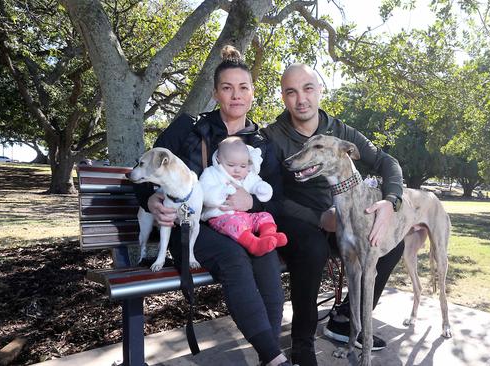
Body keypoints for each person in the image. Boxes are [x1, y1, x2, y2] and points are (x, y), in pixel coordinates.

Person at [135, 46, 293, 366]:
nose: (236, 95)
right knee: (234, 257)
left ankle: (270, 357)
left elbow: (277, 200)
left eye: (243, 87)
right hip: (191, 229)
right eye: (227, 87)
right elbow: (146, 171)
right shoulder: (188, 128)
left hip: (242, 226)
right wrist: (151, 200)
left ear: (252, 94)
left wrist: (253, 200)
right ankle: (275, 359)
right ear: (215, 93)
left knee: (265, 256)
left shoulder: (262, 143)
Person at [262, 63, 405, 366]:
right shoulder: (272, 137)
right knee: (312, 249)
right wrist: (318, 219)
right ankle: (302, 341)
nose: (301, 99)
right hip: (298, 220)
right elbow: (271, 199)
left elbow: (387, 162)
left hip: (342, 217)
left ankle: (344, 321)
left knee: (392, 242)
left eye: (308, 88)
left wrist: (390, 202)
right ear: (284, 98)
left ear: (320, 90)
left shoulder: (340, 131)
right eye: (291, 92)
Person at [199, 136, 288, 256]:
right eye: (231, 165)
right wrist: (223, 191)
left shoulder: (247, 175)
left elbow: (257, 183)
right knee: (235, 224)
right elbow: (205, 194)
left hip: (245, 217)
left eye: (242, 166)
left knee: (265, 216)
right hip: (222, 218)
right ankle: (253, 244)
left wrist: (262, 189)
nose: (237, 170)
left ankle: (268, 235)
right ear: (219, 160)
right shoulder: (212, 173)